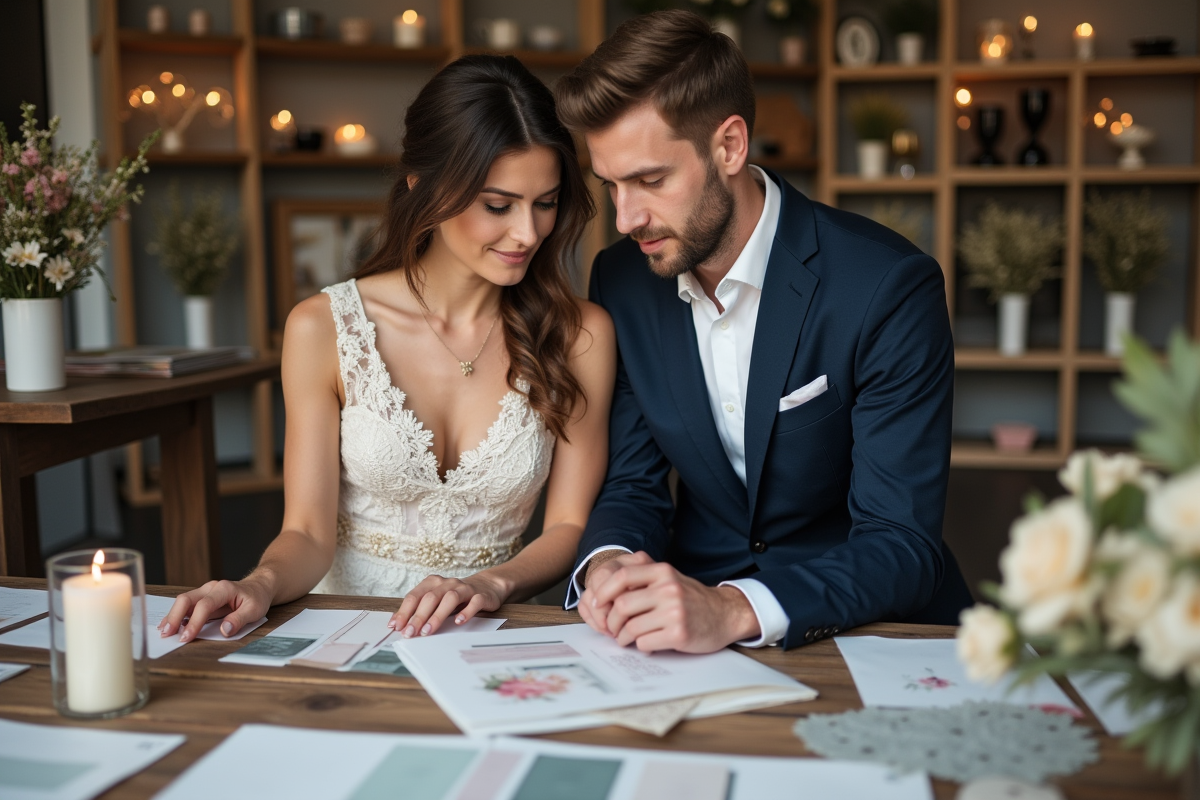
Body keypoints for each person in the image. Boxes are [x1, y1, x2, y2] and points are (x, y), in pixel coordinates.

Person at [553, 10, 972, 654]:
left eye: (650, 180)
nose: (626, 218)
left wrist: (733, 608)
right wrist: (609, 564)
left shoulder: (887, 286)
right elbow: (634, 483)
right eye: (610, 185)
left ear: (730, 146)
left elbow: (901, 541)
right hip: (685, 631)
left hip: (869, 624)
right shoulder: (623, 280)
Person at [161, 55, 615, 643]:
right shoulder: (323, 328)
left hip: (486, 634)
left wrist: (491, 584)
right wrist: (260, 584)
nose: (528, 233)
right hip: (346, 633)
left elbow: (569, 526)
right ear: (423, 187)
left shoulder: (580, 336)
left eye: (546, 203)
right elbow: (307, 532)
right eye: (498, 205)